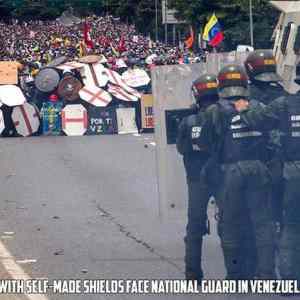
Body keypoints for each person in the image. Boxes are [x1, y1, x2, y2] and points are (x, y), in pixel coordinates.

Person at [233, 62, 300, 285]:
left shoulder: (285, 104)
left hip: (292, 171)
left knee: (290, 224)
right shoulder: (282, 98)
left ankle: (289, 279)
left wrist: (243, 107)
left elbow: (257, 120)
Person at [210, 64, 275, 279]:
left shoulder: (216, 110)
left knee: (230, 224)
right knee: (263, 224)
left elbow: (207, 142)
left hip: (230, 172)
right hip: (259, 168)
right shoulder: (257, 105)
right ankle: (266, 274)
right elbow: (270, 138)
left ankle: (236, 275)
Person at [245, 49, 287, 275]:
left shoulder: (244, 99)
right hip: (283, 164)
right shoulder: (284, 94)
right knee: (283, 215)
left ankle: (261, 269)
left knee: (258, 218)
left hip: (256, 163)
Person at [176, 74, 219, 282]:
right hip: (222, 175)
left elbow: (182, 149)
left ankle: (192, 272)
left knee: (194, 226)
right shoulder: (226, 116)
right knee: (233, 223)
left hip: (196, 178)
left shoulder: (188, 121)